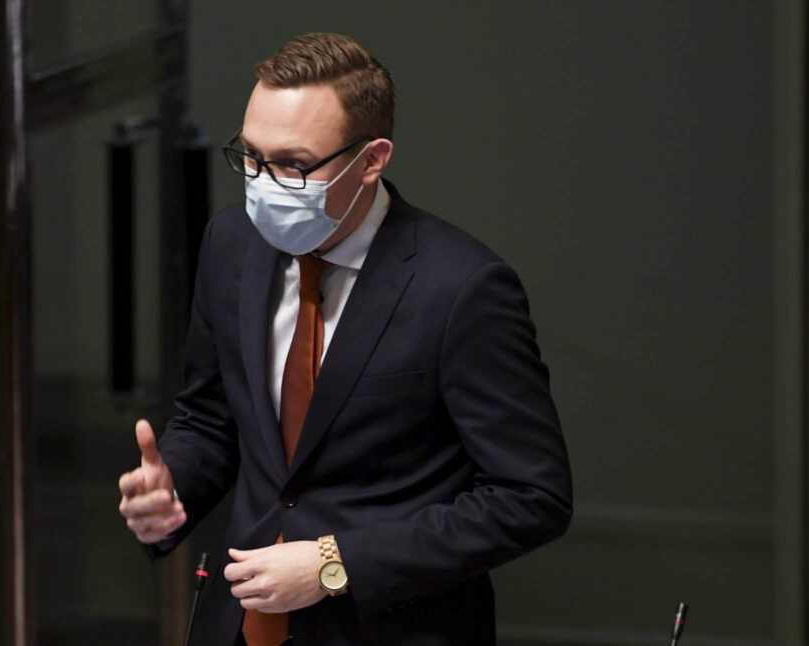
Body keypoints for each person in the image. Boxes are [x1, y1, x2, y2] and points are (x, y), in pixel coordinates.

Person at [118, 32, 572, 646]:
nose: (263, 182)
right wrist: (170, 490)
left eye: (294, 164)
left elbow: (531, 497)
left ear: (372, 160)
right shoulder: (231, 244)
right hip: (239, 623)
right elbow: (211, 418)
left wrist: (335, 564)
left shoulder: (461, 289)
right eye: (250, 155)